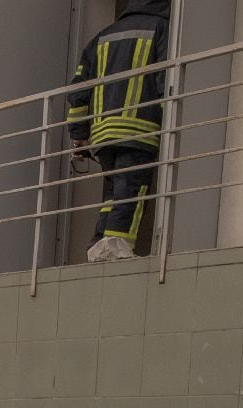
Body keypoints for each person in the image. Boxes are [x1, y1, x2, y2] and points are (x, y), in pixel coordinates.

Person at [68, 0, 171, 263]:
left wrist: (79, 135)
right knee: (131, 192)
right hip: (138, 129)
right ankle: (116, 251)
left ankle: (99, 244)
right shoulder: (162, 27)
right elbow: (165, 81)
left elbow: (79, 91)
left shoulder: (101, 37)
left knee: (114, 194)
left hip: (103, 134)